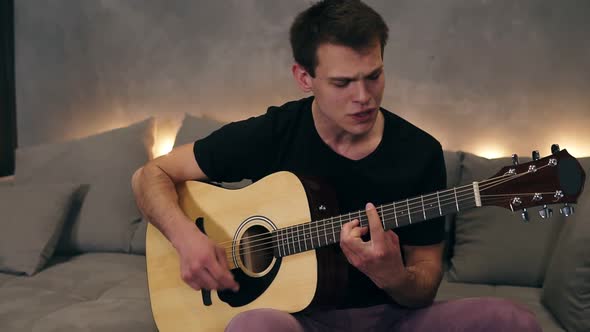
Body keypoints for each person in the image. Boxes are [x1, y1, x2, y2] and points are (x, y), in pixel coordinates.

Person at [132, 0, 542, 331]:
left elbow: (423, 284)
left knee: (513, 321)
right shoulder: (275, 132)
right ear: (304, 77)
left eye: (374, 76)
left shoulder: (420, 152)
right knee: (253, 327)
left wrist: (394, 275)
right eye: (343, 83)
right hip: (295, 319)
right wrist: (187, 238)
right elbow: (150, 175)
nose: (363, 96)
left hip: (391, 318)